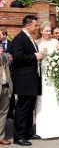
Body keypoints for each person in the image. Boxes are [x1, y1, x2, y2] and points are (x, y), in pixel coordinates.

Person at [10, 15, 43, 146]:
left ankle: (28, 132)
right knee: (22, 108)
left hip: (31, 80)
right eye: (35, 25)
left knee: (30, 108)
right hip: (24, 80)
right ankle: (18, 136)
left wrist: (38, 56)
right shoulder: (19, 39)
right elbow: (17, 58)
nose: (37, 27)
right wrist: (35, 56)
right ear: (28, 25)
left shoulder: (29, 38)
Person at [0, 27, 15, 119]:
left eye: (1, 35)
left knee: (10, 95)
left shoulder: (11, 43)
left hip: (9, 74)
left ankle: (11, 110)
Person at [0, 44, 13, 145]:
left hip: (5, 86)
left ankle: (1, 136)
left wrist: (9, 58)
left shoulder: (3, 54)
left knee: (3, 112)